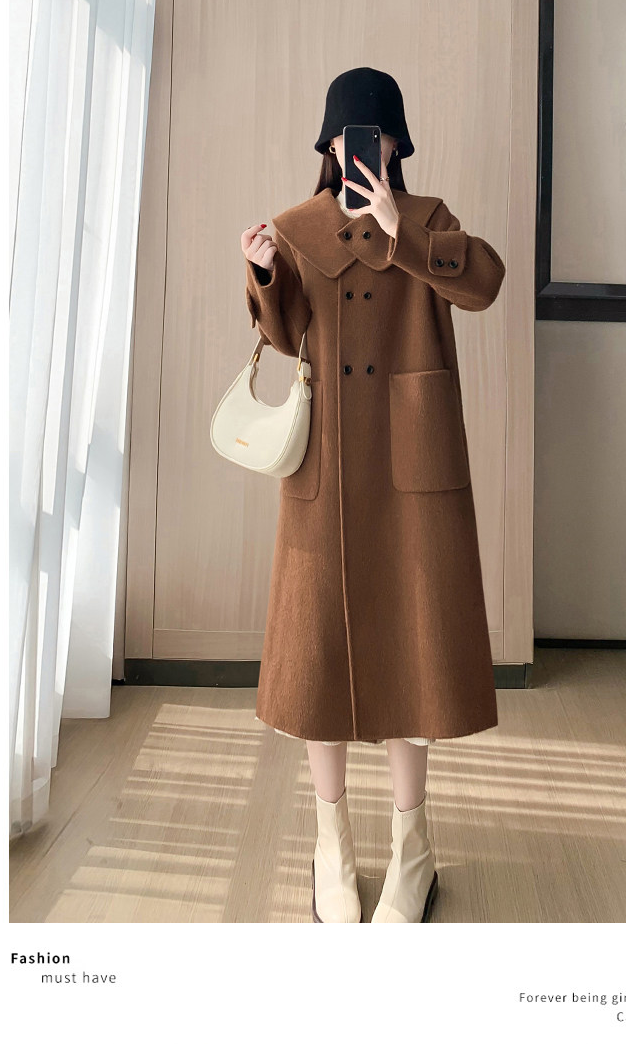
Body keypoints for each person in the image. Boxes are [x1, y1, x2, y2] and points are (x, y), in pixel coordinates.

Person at [241, 67, 506, 923]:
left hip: (412, 469)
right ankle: (332, 845)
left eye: (378, 136)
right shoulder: (296, 228)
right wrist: (265, 275)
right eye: (349, 136)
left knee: (414, 651)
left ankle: (412, 847)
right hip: (326, 471)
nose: (363, 148)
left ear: (397, 144)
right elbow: (284, 335)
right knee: (317, 655)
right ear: (329, 146)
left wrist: (405, 233)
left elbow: (485, 283)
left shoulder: (427, 220)